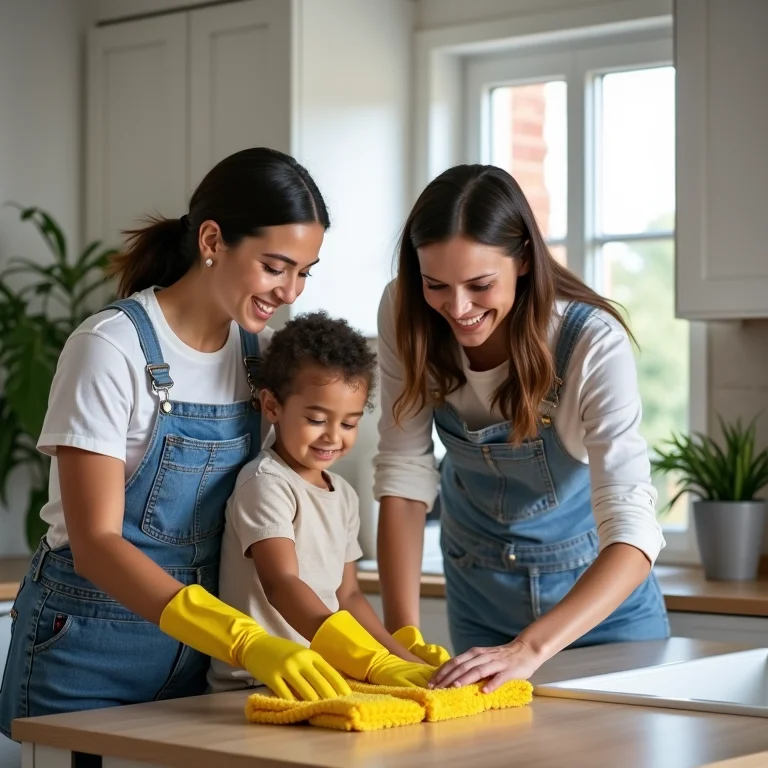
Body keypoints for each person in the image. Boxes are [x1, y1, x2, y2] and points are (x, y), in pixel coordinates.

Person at [0, 147, 351, 738]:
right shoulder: (111, 348)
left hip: (200, 662)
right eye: (275, 266)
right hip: (89, 649)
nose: (291, 291)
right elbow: (96, 544)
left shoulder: (257, 358)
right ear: (212, 241)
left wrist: (367, 646)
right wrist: (244, 640)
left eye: (304, 271)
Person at [373, 164, 670, 695]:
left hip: (602, 611)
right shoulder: (405, 311)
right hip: (480, 596)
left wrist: (530, 648)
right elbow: (404, 473)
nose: (457, 309)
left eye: (480, 284)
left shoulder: (590, 342)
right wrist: (401, 640)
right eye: (435, 284)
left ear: (525, 261)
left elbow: (632, 526)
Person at [208, 311, 439, 695]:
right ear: (272, 407)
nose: (333, 436)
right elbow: (281, 583)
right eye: (317, 419)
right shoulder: (266, 483)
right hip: (255, 681)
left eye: (349, 424)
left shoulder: (344, 495)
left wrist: (402, 658)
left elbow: (348, 596)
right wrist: (367, 659)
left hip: (324, 675)